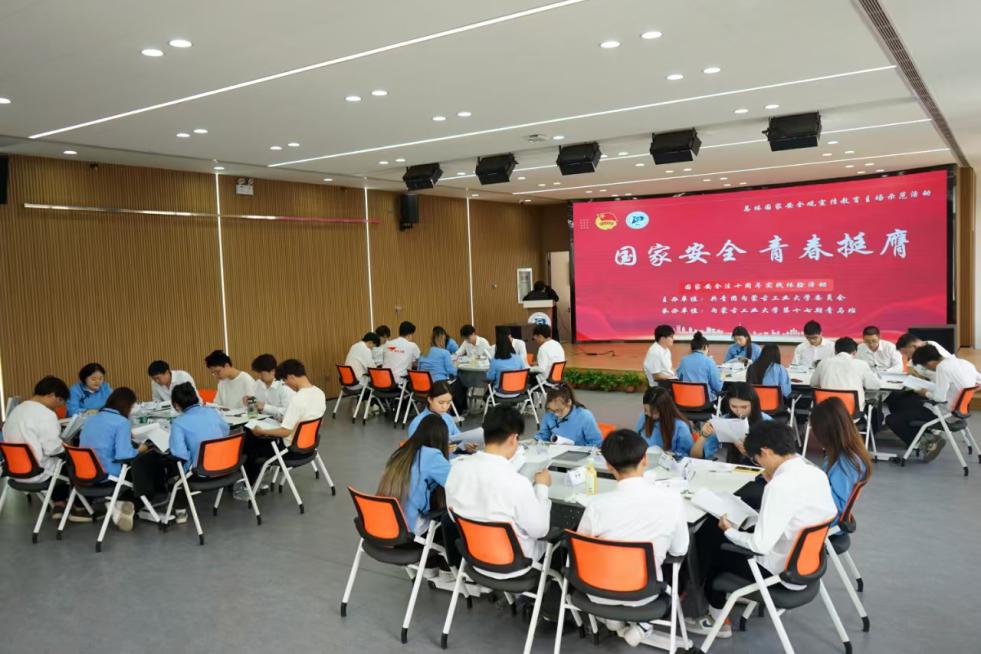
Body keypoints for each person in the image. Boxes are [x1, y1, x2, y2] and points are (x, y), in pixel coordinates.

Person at [687, 422, 837, 638]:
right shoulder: (815, 473)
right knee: (723, 535)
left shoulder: (779, 486)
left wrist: (729, 531)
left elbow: (759, 545)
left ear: (765, 452)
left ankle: (716, 620)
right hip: (806, 564)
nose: (758, 465)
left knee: (713, 544)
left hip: (780, 572)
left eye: (756, 459)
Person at [577, 429, 689, 647]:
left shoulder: (596, 505)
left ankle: (614, 619)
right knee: (674, 564)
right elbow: (679, 549)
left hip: (597, 591)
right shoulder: (672, 499)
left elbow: (583, 547)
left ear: (608, 466)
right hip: (643, 593)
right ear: (645, 459)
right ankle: (643, 624)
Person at [445, 406, 552, 579]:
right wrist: (542, 488)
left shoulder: (457, 469)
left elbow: (452, 516)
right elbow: (540, 530)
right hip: (515, 565)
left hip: (475, 557)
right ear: (513, 438)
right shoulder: (517, 483)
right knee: (554, 539)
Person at [240, 359, 327, 495]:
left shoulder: (297, 399)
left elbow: (285, 431)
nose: (286, 385)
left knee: (249, 447)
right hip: (309, 446)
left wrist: (262, 431)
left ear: (291, 377)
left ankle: (249, 487)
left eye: (285, 381)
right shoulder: (319, 393)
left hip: (290, 451)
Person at [885, 345, 981, 458]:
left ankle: (928, 443)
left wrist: (924, 393)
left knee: (892, 419)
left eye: (925, 367)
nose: (928, 370)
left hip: (944, 414)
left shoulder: (942, 368)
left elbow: (940, 398)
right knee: (906, 406)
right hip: (961, 411)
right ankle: (927, 437)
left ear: (929, 363)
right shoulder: (964, 363)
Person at [2, 376, 75, 517]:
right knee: (71, 462)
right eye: (60, 401)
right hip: (37, 472)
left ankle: (59, 504)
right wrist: (66, 446)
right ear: (52, 395)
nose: (59, 406)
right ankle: (76, 506)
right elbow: (52, 449)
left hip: (15, 472)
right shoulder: (46, 414)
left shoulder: (15, 411)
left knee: (59, 462)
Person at [79, 387, 148, 532]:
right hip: (107, 475)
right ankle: (128, 503)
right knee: (145, 468)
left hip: (84, 473)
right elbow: (124, 455)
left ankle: (116, 506)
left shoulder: (91, 419)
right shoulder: (121, 422)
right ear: (127, 406)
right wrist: (140, 449)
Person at [378, 414, 452, 536]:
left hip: (385, 521)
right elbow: (456, 483)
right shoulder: (431, 456)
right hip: (410, 526)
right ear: (441, 438)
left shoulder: (402, 452)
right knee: (452, 519)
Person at [810, 398, 871, 519]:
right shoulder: (844, 454)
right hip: (826, 513)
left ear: (826, 433)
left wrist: (810, 486)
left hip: (827, 519)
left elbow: (838, 505)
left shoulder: (845, 463)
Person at [692, 383, 772, 460]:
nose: (739, 411)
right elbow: (695, 456)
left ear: (753, 405)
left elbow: (775, 461)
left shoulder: (767, 423)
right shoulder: (724, 421)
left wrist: (750, 454)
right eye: (733, 406)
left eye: (744, 407)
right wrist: (703, 436)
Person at [169, 382, 230, 472]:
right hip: (227, 464)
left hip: (201, 471)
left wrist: (192, 456)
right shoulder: (211, 411)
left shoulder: (178, 423)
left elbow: (179, 453)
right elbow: (226, 430)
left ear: (176, 405)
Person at [809, 337, 880, 410]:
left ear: (835, 352)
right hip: (851, 411)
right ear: (854, 352)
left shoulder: (823, 362)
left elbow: (813, 383)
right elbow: (874, 386)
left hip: (826, 410)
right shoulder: (861, 364)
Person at [634, 386, 695, 456]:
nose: (646, 413)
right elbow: (637, 440)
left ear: (663, 411)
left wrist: (670, 455)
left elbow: (686, 453)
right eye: (645, 409)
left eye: (653, 412)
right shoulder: (644, 417)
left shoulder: (680, 426)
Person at [535, 385, 602, 447]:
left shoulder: (585, 416)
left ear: (569, 402)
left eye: (560, 410)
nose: (556, 414)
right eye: (553, 410)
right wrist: (536, 441)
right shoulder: (549, 413)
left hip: (579, 453)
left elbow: (597, 443)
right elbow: (542, 436)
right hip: (555, 451)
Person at [676, 331, 723, 401]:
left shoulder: (683, 360)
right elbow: (717, 387)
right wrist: (722, 379)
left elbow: (679, 378)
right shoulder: (709, 361)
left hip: (685, 400)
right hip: (704, 401)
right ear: (705, 347)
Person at [248, 354, 296, 421]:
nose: (259, 376)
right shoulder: (258, 384)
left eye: (261, 373)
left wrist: (264, 407)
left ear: (273, 371)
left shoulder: (284, 387)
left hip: (281, 423)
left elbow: (288, 413)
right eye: (258, 373)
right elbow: (253, 409)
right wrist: (250, 403)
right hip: (262, 421)